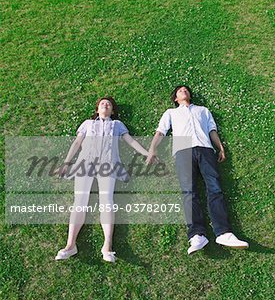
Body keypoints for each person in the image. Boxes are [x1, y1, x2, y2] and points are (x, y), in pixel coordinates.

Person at [146, 85, 249, 254]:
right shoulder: (171, 113)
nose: (183, 91)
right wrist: (152, 149)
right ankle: (197, 235)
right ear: (175, 99)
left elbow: (212, 130)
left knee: (215, 188)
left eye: (186, 90)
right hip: (183, 151)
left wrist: (220, 147)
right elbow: (160, 132)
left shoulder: (203, 110)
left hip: (206, 149)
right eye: (180, 91)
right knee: (188, 192)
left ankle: (224, 232)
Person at [55, 96, 149, 262]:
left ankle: (107, 245)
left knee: (107, 200)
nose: (105, 105)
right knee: (80, 201)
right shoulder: (87, 124)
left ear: (113, 111)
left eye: (109, 104)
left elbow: (131, 141)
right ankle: (70, 245)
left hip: (108, 164)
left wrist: (147, 154)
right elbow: (77, 144)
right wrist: (66, 163)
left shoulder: (117, 125)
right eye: (102, 104)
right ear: (97, 109)